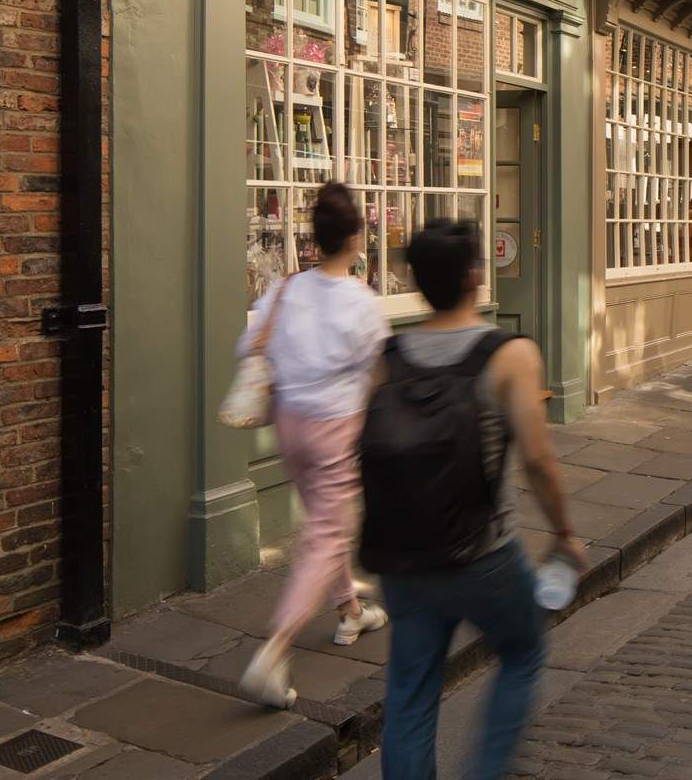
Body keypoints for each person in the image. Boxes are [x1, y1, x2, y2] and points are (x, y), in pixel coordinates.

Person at [365, 220, 586, 780]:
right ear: (474, 276)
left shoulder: (386, 357)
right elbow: (537, 460)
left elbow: (360, 449)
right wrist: (564, 532)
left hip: (404, 558)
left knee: (411, 692)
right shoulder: (509, 354)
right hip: (483, 554)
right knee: (522, 651)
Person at [237, 182, 392, 708]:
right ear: (355, 237)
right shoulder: (361, 301)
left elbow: (250, 344)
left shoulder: (285, 290)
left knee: (324, 524)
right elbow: (379, 372)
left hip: (288, 424)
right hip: (334, 427)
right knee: (328, 533)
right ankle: (274, 651)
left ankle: (350, 611)